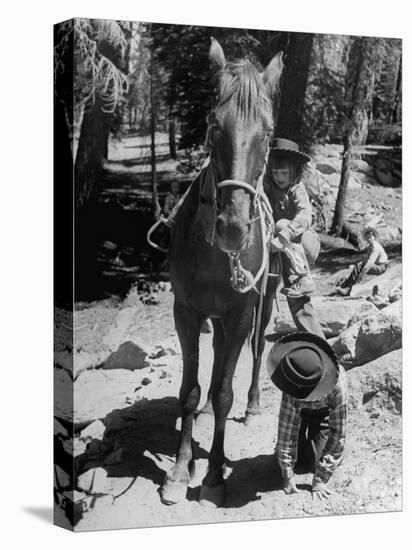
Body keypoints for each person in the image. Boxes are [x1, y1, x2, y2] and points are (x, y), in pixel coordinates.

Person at [267, 332, 347, 501]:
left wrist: (320, 478)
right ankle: (299, 448)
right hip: (300, 414)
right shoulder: (293, 381)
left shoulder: (338, 384)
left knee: (313, 464)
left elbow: (338, 433)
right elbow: (286, 429)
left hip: (323, 414)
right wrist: (287, 474)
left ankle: (310, 444)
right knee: (293, 463)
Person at [264, 138, 324, 337]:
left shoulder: (297, 189)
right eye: (275, 172)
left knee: (281, 224)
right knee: (289, 292)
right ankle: (313, 338)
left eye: (284, 173)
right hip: (282, 248)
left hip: (304, 243)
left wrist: (283, 235)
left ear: (294, 172)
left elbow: (305, 217)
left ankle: (304, 278)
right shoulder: (269, 188)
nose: (279, 177)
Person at [336, 225, 389, 296]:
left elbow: (370, 262)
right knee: (359, 265)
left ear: (374, 237)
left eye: (371, 237)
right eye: (368, 237)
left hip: (381, 267)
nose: (369, 238)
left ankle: (349, 288)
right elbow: (366, 259)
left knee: (361, 267)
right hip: (376, 265)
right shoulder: (370, 247)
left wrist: (362, 272)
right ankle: (347, 285)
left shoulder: (375, 247)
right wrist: (357, 267)